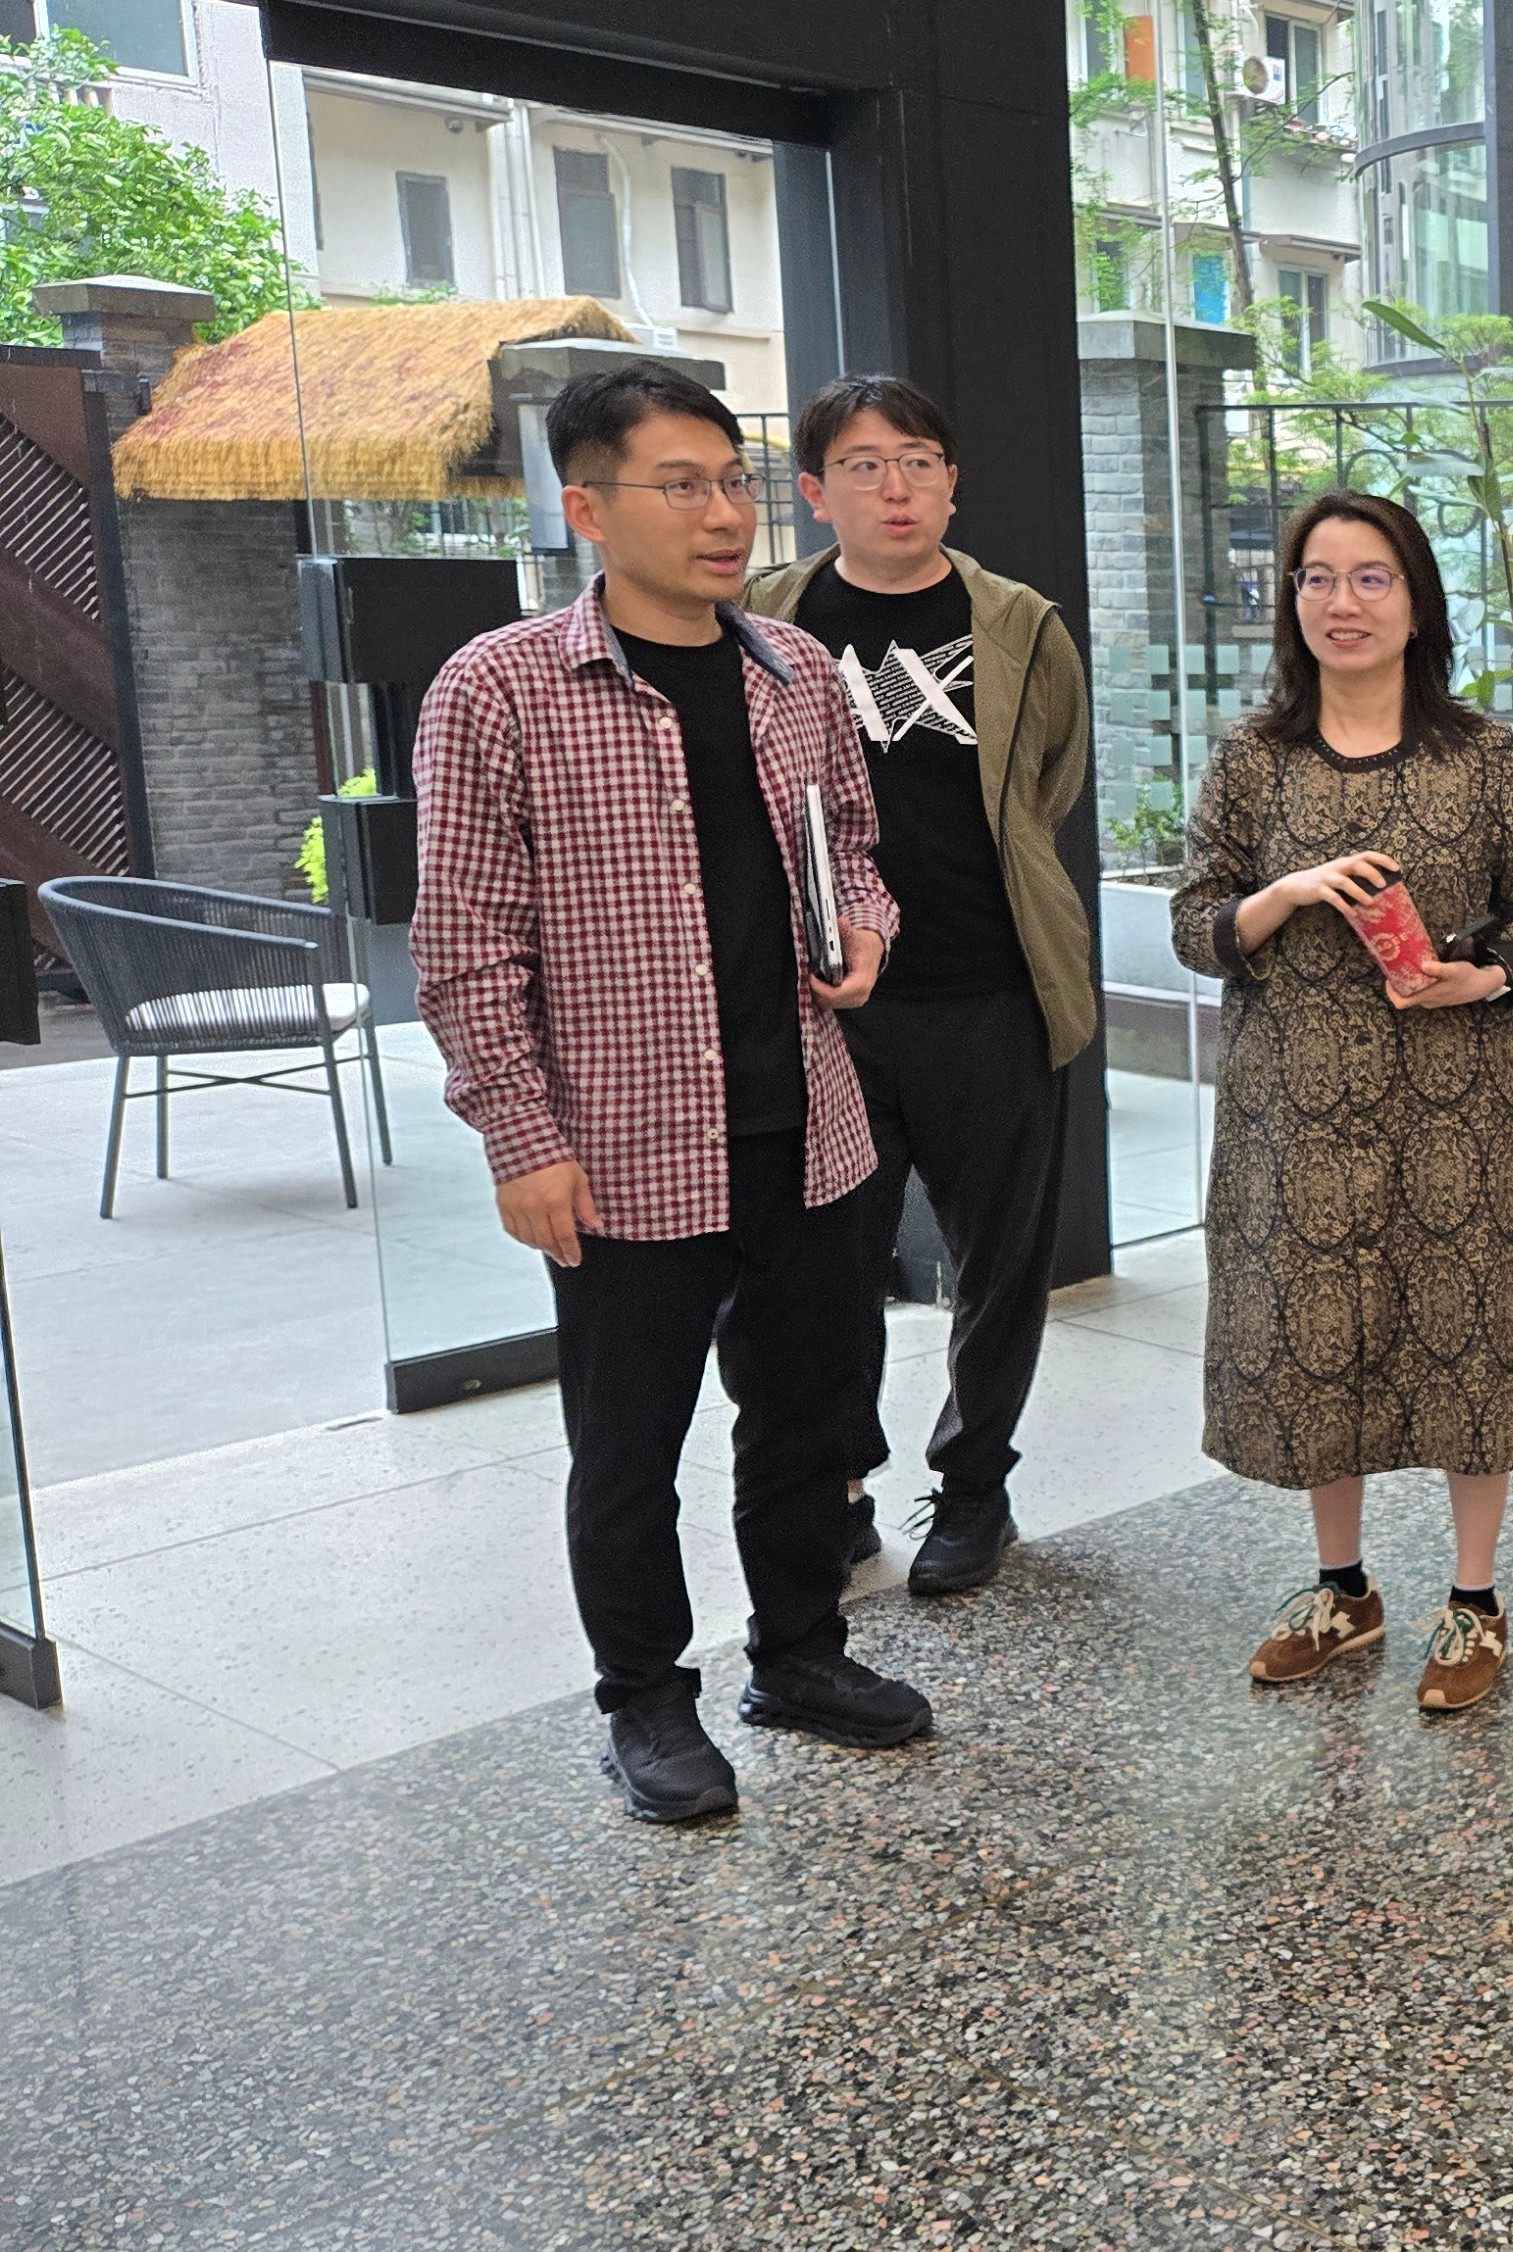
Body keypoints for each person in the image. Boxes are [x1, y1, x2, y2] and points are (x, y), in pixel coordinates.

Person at [412, 363, 929, 1825]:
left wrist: (867, 928)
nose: (723, 515)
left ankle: (801, 1653)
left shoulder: (794, 671)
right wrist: (520, 1137)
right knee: (629, 1445)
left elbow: (857, 848)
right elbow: (463, 944)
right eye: (681, 486)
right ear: (587, 508)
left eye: (733, 483)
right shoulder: (500, 686)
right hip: (621, 1143)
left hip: (810, 1125)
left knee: (809, 1418)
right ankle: (644, 1698)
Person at [1167, 490, 1513, 1716]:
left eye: (1370, 577)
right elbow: (1193, 923)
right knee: (1317, 1340)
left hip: (1449, 1105)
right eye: (1315, 577)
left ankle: (1474, 1598)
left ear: (1415, 603)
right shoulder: (1253, 757)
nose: (1340, 602)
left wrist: (1485, 974)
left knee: (1463, 1335)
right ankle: (1342, 1587)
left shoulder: (1480, 755)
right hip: (1292, 1109)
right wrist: (1286, 892)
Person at [744, 374, 1095, 1600]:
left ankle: (975, 1483)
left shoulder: (1021, 624)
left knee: (997, 1263)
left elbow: (1046, 783)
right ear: (813, 489)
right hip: (824, 1003)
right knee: (826, 1266)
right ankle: (839, 1485)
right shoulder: (766, 617)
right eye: (862, 464)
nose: (894, 487)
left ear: (952, 483)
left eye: (918, 461)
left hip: (991, 987)